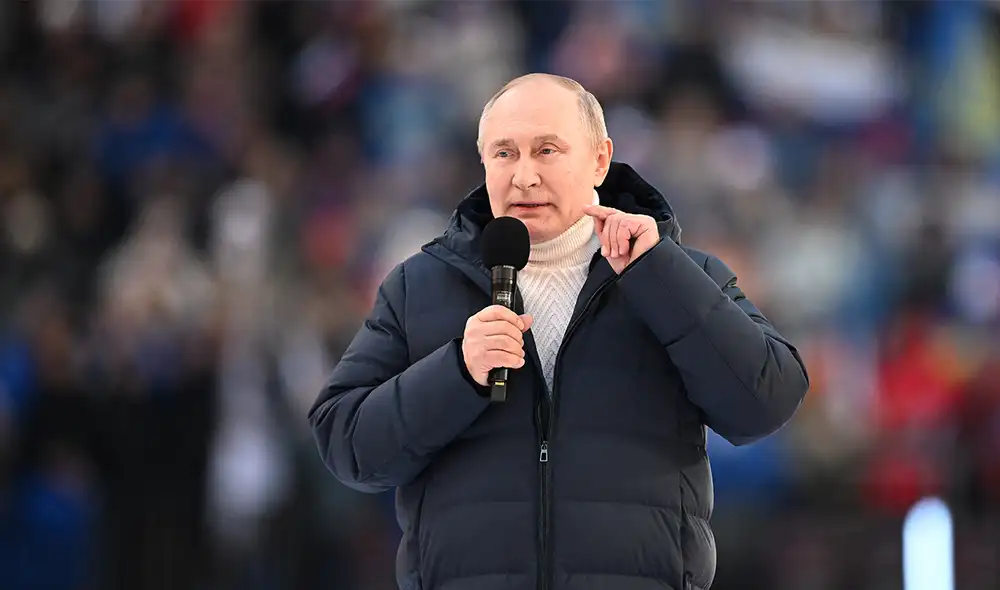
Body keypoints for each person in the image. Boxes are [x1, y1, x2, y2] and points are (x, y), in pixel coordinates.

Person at [308, 73, 809, 590]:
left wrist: (661, 276)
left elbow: (766, 402)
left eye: (546, 149)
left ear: (599, 159)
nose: (524, 175)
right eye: (505, 153)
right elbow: (346, 445)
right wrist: (456, 371)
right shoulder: (419, 286)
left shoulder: (678, 273)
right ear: (483, 162)